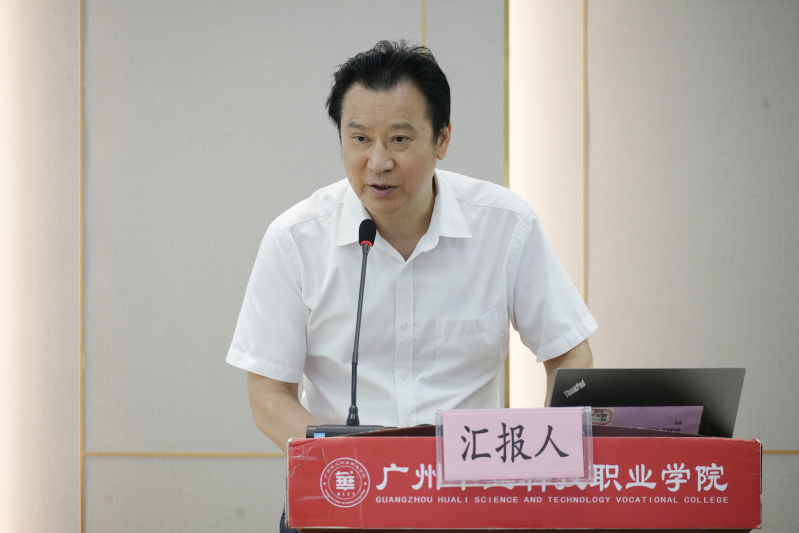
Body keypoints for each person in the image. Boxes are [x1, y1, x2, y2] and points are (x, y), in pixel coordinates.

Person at [227, 39, 595, 453]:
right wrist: (346, 464)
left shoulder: (505, 225)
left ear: (442, 139)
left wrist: (550, 455)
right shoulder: (295, 240)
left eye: (399, 139)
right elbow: (268, 394)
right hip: (347, 481)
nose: (378, 162)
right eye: (360, 139)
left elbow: (570, 356)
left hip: (469, 481)